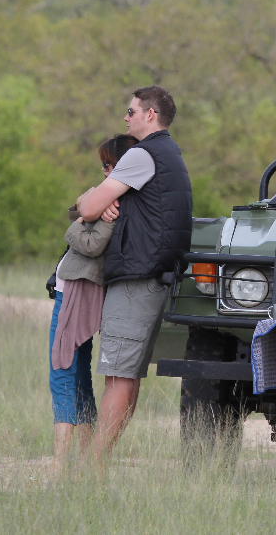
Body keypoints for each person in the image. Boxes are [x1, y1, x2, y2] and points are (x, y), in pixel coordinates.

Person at [78, 86, 192, 463]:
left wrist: (94, 200)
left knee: (117, 377)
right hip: (155, 278)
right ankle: (100, 462)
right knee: (127, 377)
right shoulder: (171, 154)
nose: (125, 118)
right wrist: (113, 203)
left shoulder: (142, 154)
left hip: (134, 281)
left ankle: (92, 467)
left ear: (150, 115)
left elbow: (90, 207)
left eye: (131, 111)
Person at [48, 134, 137, 470]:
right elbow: (80, 206)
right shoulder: (111, 199)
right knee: (79, 372)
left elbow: (90, 244)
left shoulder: (116, 206)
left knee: (62, 368)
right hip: (78, 288)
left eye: (107, 165)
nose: (103, 172)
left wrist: (79, 222)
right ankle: (83, 458)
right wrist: (87, 202)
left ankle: (59, 463)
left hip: (76, 291)